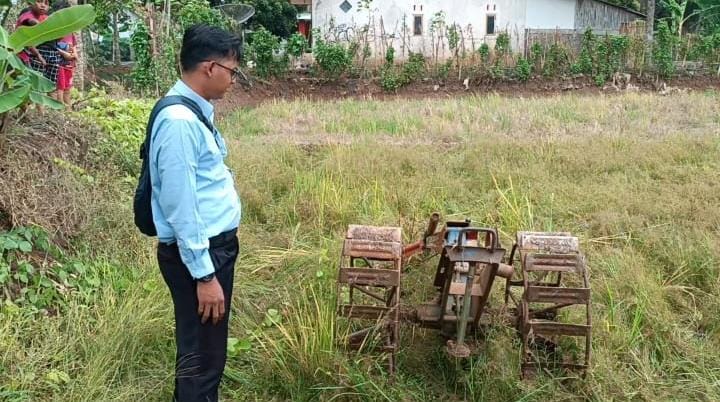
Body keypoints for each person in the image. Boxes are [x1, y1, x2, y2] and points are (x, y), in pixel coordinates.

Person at [149, 24, 243, 402]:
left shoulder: (190, 110)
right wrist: (204, 274)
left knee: (202, 353)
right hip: (201, 257)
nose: (233, 80)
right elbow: (181, 205)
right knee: (202, 361)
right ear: (209, 67)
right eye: (232, 71)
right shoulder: (179, 123)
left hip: (210, 251)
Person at [51, 0, 77, 107]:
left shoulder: (70, 30)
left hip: (69, 65)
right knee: (59, 89)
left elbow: (74, 44)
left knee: (67, 89)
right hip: (58, 64)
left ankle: (69, 110)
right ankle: (60, 110)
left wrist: (75, 54)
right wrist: (63, 54)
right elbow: (50, 46)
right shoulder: (53, 30)